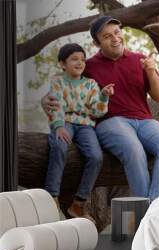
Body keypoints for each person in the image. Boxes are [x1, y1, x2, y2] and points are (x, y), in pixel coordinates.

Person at [42, 16, 159, 201]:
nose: (115, 38)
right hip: (110, 122)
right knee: (134, 150)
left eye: (117, 32)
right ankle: (145, 208)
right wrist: (45, 100)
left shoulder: (140, 59)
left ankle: (153, 203)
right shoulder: (88, 66)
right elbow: (63, 84)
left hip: (144, 121)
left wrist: (150, 71)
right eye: (107, 36)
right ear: (97, 43)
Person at [44, 43, 114, 222]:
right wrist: (58, 126)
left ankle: (79, 202)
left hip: (85, 126)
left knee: (96, 156)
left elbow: (98, 112)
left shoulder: (90, 84)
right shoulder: (58, 81)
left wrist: (104, 96)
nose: (80, 62)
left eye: (82, 59)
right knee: (59, 146)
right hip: (64, 122)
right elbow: (56, 105)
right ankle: (51, 196)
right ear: (62, 64)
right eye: (74, 59)